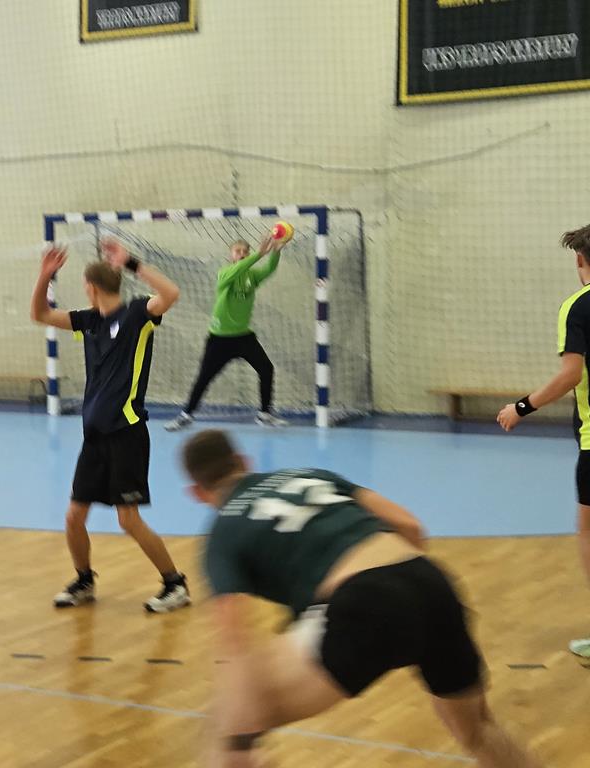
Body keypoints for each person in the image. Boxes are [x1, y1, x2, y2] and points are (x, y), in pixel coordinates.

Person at [182, 429, 541, 768]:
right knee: (478, 729)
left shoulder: (222, 536)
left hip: (363, 602)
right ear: (244, 461)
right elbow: (410, 526)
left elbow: (235, 644)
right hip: (429, 580)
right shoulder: (310, 476)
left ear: (197, 493)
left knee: (226, 720)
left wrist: (240, 741)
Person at [31, 239, 191, 612]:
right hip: (95, 437)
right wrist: (44, 276)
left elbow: (171, 293)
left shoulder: (137, 315)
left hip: (126, 434)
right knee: (74, 516)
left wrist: (132, 262)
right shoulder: (89, 321)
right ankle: (84, 580)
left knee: (128, 520)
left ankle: (175, 584)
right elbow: (40, 314)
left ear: (91, 287)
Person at [497, 223, 590, 665]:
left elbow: (571, 374)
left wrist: (522, 407)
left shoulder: (578, 306)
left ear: (580, 260)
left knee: (588, 531)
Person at [166, 235, 288, 432]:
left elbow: (269, 269)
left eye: (245, 251)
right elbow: (239, 269)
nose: (242, 254)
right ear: (231, 255)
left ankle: (265, 414)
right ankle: (186, 415)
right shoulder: (224, 273)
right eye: (238, 251)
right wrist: (258, 254)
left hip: (244, 337)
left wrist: (276, 252)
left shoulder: (252, 276)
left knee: (266, 369)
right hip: (220, 339)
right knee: (204, 377)